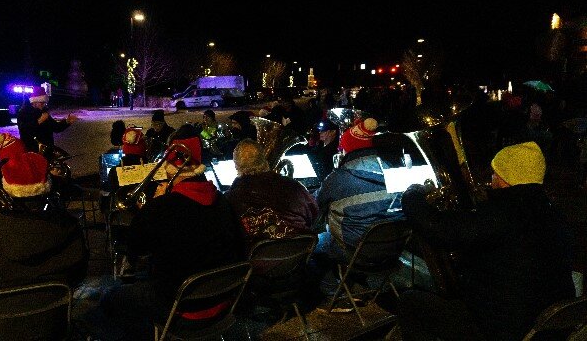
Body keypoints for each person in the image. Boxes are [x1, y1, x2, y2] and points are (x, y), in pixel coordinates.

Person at [398, 141, 575, 341]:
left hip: (506, 329)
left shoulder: (504, 213)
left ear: (506, 177)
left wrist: (411, 195)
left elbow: (438, 228)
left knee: (410, 302)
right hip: (551, 326)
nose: (491, 180)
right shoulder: (554, 212)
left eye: (494, 173)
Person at [99, 124, 244, 339]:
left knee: (109, 298)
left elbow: (135, 247)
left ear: (170, 171)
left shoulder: (162, 208)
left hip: (180, 308)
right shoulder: (223, 201)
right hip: (223, 302)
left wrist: (151, 207)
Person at [0, 132, 88, 333]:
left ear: (7, 188)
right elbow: (79, 274)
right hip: (51, 328)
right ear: (47, 186)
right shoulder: (69, 226)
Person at [311, 145, 405, 297]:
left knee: (314, 243)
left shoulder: (338, 177)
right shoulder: (393, 171)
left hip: (355, 253)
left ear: (348, 151)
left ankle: (332, 289)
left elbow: (315, 205)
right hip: (392, 252)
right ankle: (377, 281)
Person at [226, 139, 318, 249]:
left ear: (236, 166)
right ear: (264, 160)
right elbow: (314, 214)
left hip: (258, 263)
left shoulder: (230, 199)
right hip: (299, 256)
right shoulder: (293, 186)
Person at [16, 86, 76, 154]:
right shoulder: (24, 112)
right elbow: (24, 130)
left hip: (47, 149)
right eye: (41, 103)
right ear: (34, 102)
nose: (44, 105)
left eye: (45, 103)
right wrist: (39, 121)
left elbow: (55, 127)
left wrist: (67, 122)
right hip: (32, 151)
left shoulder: (43, 112)